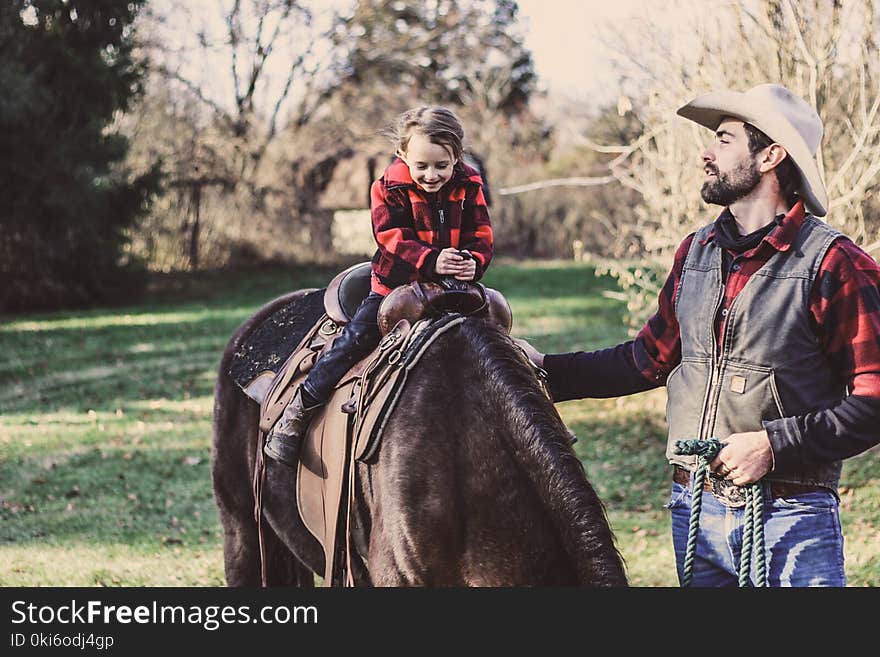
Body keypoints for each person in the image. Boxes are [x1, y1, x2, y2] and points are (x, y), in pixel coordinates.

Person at [516, 83, 880, 586]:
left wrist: (774, 445)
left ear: (771, 154)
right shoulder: (696, 252)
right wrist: (541, 371)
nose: (706, 153)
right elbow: (648, 358)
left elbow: (873, 400)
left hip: (791, 517)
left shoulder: (834, 264)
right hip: (695, 508)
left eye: (725, 139)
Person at [264, 105, 493, 465]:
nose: (431, 175)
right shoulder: (388, 188)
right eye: (422, 166)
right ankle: (300, 408)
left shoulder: (470, 184)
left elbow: (481, 233)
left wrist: (473, 261)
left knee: (496, 337)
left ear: (457, 158)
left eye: (441, 166)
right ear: (403, 155)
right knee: (355, 340)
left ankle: (524, 413)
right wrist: (432, 260)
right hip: (396, 287)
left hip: (451, 290)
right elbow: (390, 237)